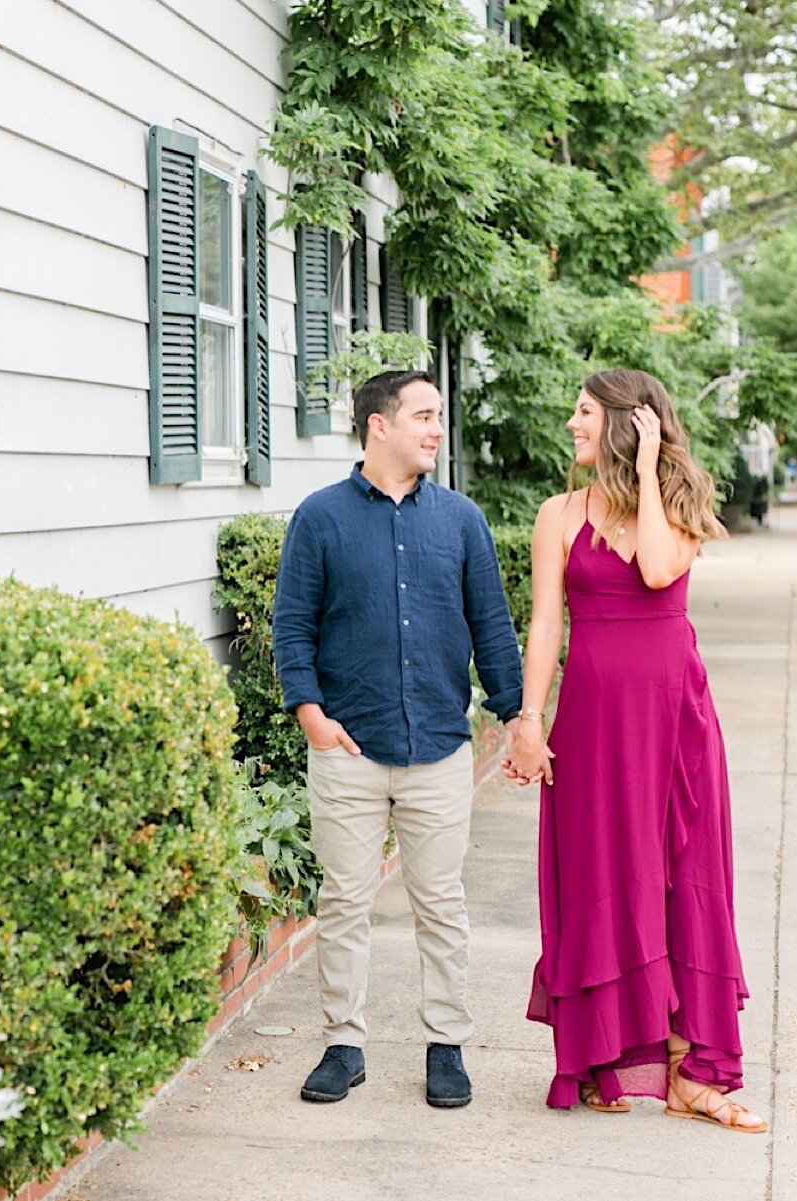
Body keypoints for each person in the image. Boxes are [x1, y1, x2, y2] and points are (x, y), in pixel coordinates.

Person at [502, 367, 766, 1133]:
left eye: (584, 412)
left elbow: (655, 569)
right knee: (602, 876)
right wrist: (529, 717)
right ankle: (606, 1058)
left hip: (673, 717)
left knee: (683, 878)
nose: (572, 423)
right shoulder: (557, 513)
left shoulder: (679, 501)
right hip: (593, 717)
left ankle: (689, 1070)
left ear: (628, 421)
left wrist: (649, 472)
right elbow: (546, 623)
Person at [273, 370, 524, 1110]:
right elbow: (294, 624)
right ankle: (342, 1043)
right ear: (378, 426)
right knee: (345, 898)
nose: (436, 429)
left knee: (440, 903)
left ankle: (446, 1045)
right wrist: (310, 714)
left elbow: (492, 626)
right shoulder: (319, 518)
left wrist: (516, 720)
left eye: (439, 415)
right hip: (347, 748)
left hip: (440, 748)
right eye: (423, 415)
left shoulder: (460, 520)